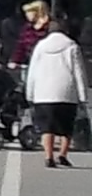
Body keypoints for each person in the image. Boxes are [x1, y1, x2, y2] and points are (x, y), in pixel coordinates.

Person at [26, 16, 82, 169]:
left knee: (47, 126)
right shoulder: (72, 46)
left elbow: (33, 71)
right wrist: (83, 95)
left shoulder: (40, 46)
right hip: (66, 92)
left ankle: (48, 156)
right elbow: (78, 72)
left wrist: (29, 92)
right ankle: (62, 154)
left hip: (43, 92)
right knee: (66, 126)